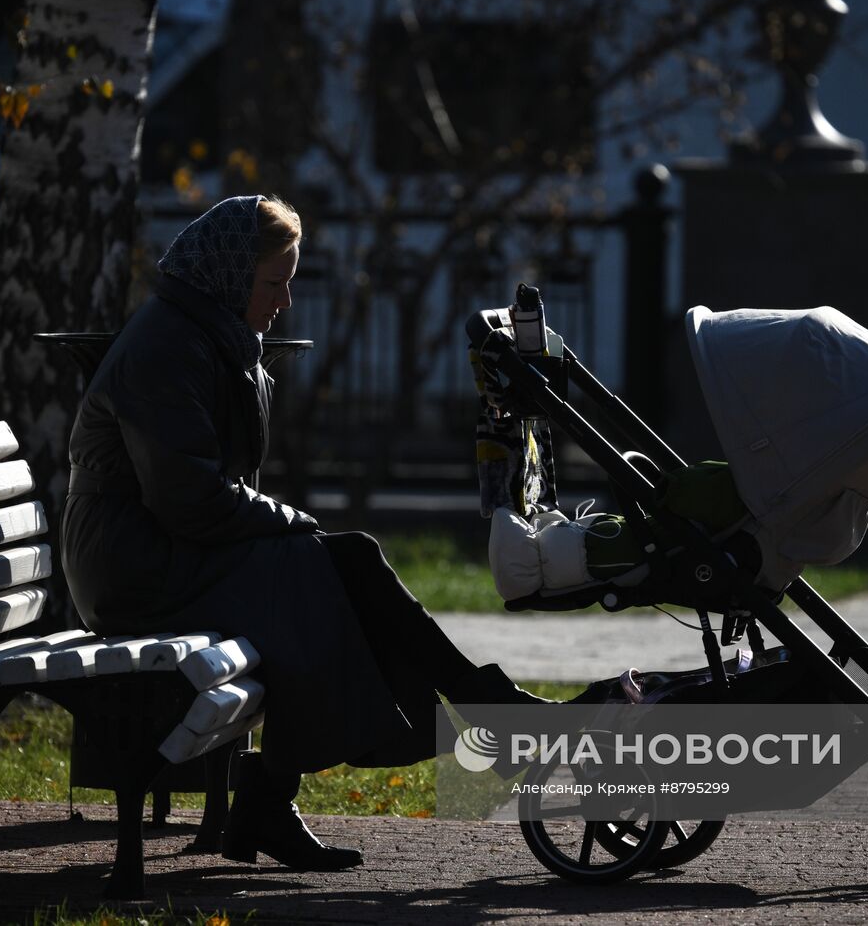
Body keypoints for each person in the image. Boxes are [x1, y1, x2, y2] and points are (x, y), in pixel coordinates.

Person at [61, 194, 543, 873]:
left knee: (350, 556)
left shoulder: (214, 335)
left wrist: (292, 529)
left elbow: (205, 499)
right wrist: (292, 522)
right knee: (314, 567)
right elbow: (189, 500)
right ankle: (470, 714)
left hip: (178, 550)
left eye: (289, 281)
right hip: (133, 566)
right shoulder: (166, 347)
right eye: (274, 282)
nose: (286, 300)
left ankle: (474, 704)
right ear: (230, 276)